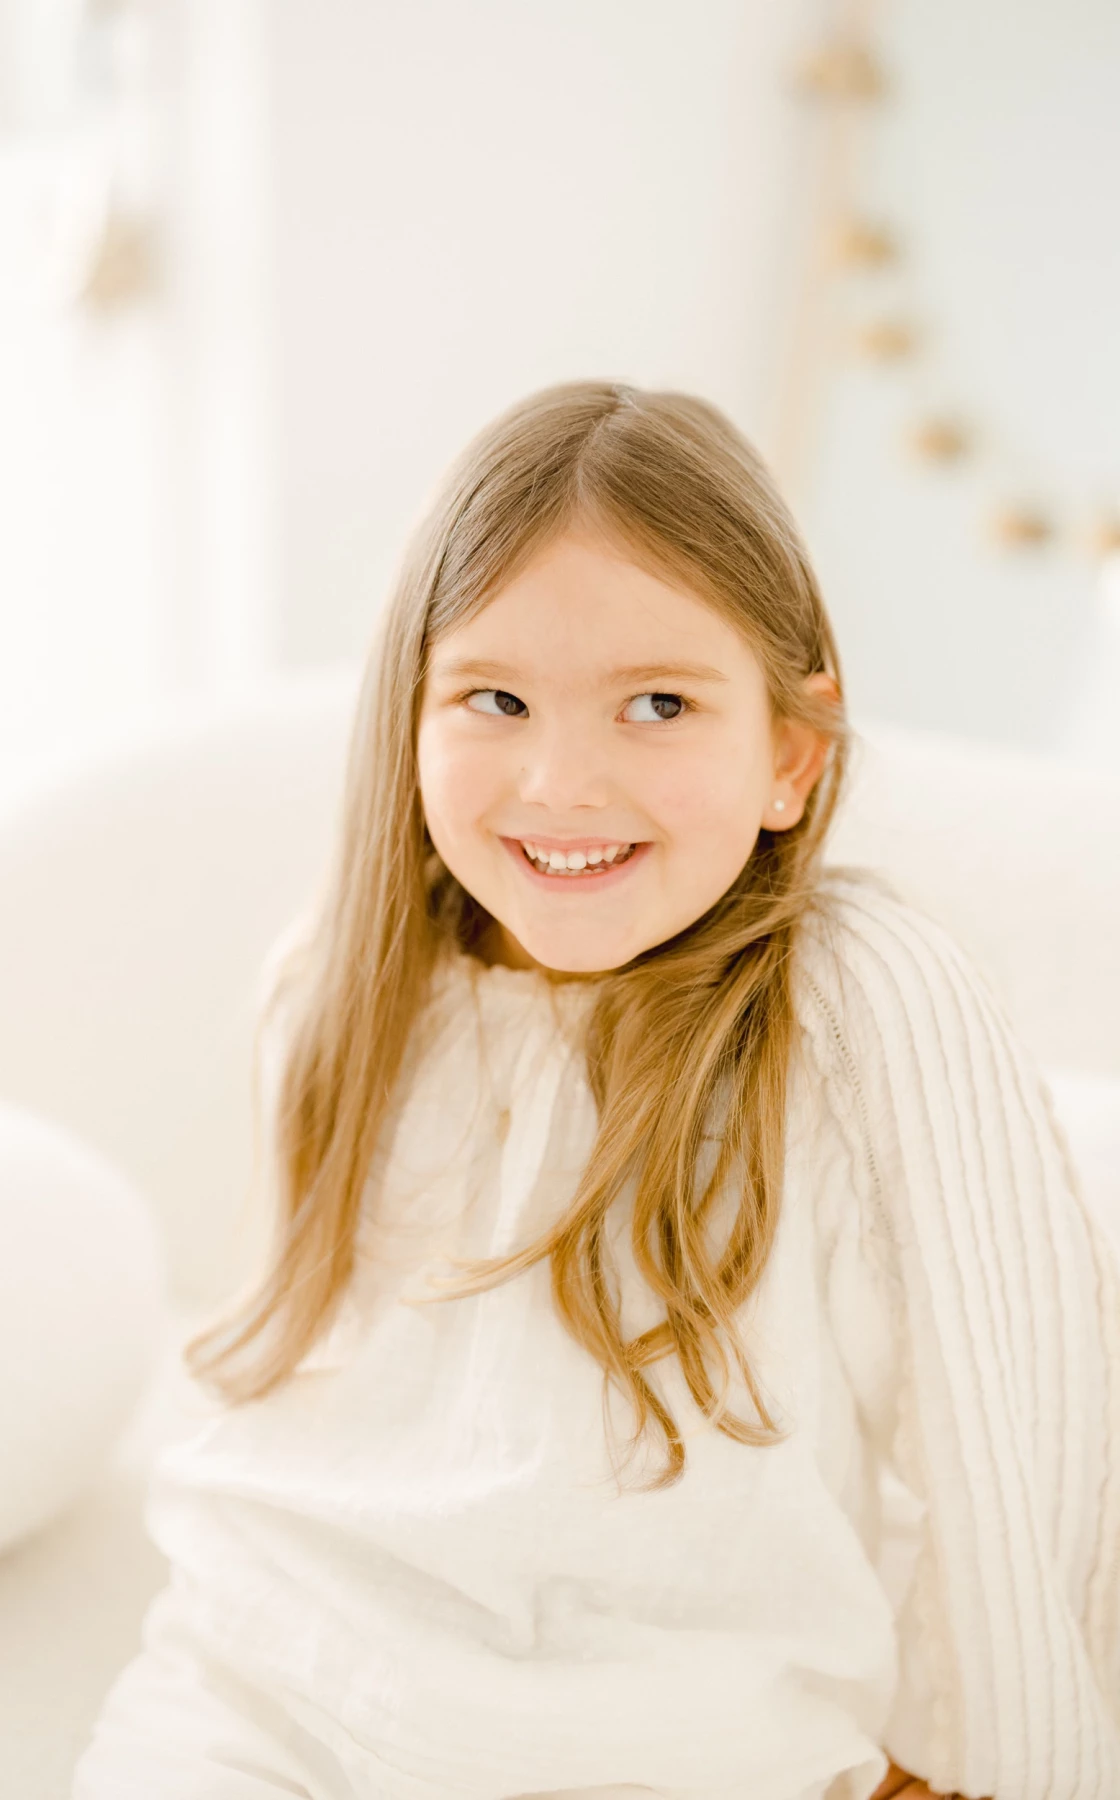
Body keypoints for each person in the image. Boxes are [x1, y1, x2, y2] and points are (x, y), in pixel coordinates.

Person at [72, 382, 1120, 1800]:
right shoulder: (337, 982)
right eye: (495, 698)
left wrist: (983, 1768)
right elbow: (310, 1412)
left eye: (661, 705)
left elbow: (1011, 1453)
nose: (564, 782)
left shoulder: (864, 1008)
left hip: (678, 1751)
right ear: (412, 716)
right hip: (270, 1696)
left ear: (791, 754)